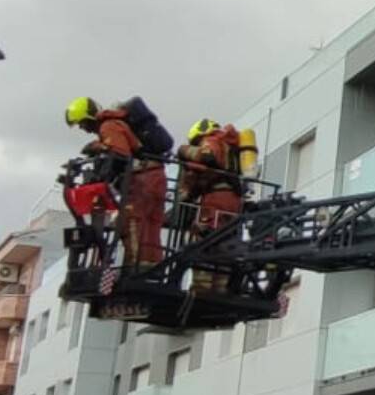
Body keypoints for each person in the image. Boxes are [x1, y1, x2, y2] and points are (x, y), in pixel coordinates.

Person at [64, 98, 167, 270]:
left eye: (82, 124)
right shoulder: (117, 123)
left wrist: (97, 147)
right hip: (155, 177)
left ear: (89, 117)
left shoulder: (108, 126)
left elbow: (120, 154)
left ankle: (135, 269)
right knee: (150, 228)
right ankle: (151, 269)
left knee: (130, 222)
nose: (83, 129)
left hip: (142, 180)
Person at [176, 118, 245, 239]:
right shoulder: (229, 146)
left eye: (196, 142)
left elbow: (208, 156)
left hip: (216, 197)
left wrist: (184, 151)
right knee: (225, 235)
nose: (198, 145)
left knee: (205, 233)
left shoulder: (211, 139)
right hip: (234, 197)